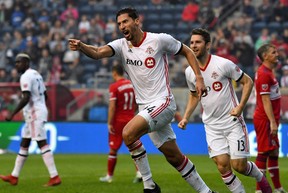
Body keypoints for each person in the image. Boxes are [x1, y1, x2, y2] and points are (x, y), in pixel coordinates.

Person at [69, 7, 215, 193]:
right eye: (119, 23)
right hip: (146, 107)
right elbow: (97, 52)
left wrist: (199, 77)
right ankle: (206, 191)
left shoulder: (159, 40)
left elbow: (186, 51)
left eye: (126, 21)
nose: (122, 26)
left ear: (137, 21)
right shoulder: (121, 45)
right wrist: (82, 46)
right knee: (174, 157)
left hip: (163, 102)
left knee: (128, 133)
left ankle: (149, 186)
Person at [178, 28, 272, 193]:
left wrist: (240, 107)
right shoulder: (189, 72)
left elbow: (248, 82)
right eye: (191, 42)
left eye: (198, 42)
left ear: (208, 45)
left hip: (232, 121)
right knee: (223, 166)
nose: (193, 45)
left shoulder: (223, 64)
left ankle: (261, 180)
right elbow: (194, 95)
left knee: (239, 166)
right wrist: (186, 116)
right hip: (211, 126)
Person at [0, 53, 61, 187]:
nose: (16, 65)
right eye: (15, 63)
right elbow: (44, 94)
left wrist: (12, 113)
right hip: (36, 112)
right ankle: (14, 176)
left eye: (19, 62)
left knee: (41, 143)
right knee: (24, 143)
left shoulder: (25, 76)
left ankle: (54, 176)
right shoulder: (36, 74)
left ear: (26, 63)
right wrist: (43, 108)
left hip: (34, 113)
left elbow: (26, 97)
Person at [99, 63, 142, 184]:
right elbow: (138, 102)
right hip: (131, 120)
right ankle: (139, 173)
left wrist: (109, 123)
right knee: (134, 148)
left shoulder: (114, 86)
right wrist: (131, 113)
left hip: (118, 121)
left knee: (113, 149)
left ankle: (109, 176)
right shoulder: (131, 84)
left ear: (114, 73)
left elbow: (112, 107)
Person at [254, 44, 287, 193]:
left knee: (273, 151)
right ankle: (259, 190)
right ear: (265, 56)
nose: (277, 54)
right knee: (263, 152)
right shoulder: (264, 74)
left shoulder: (269, 72)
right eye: (273, 52)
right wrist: (273, 122)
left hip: (270, 118)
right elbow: (265, 100)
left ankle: (278, 188)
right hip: (265, 119)